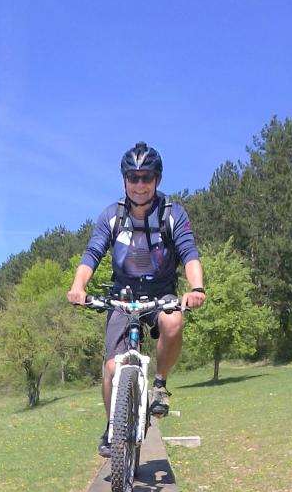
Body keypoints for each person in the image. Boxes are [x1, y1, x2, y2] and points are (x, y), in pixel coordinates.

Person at [67, 141, 206, 457]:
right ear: (124, 180)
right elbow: (92, 254)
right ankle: (112, 427)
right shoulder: (112, 215)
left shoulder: (172, 214)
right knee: (112, 367)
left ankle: (159, 385)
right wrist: (78, 287)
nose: (139, 185)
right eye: (133, 177)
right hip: (122, 297)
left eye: (146, 178)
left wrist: (196, 289)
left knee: (174, 322)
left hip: (160, 295)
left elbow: (189, 253)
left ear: (157, 179)